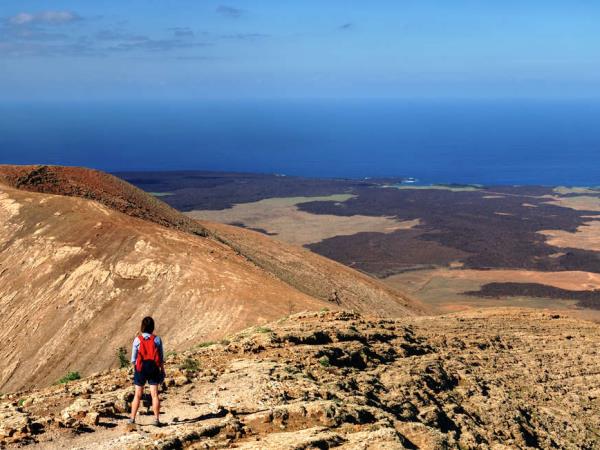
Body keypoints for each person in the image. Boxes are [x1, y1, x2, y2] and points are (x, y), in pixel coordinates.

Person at [128, 316, 165, 426]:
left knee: (137, 395)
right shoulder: (157, 339)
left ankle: (132, 419)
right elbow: (161, 357)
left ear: (142, 326)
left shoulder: (137, 339)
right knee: (154, 394)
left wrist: (136, 369)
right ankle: (157, 419)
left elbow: (133, 359)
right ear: (152, 326)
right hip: (154, 368)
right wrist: (162, 370)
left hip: (141, 369)